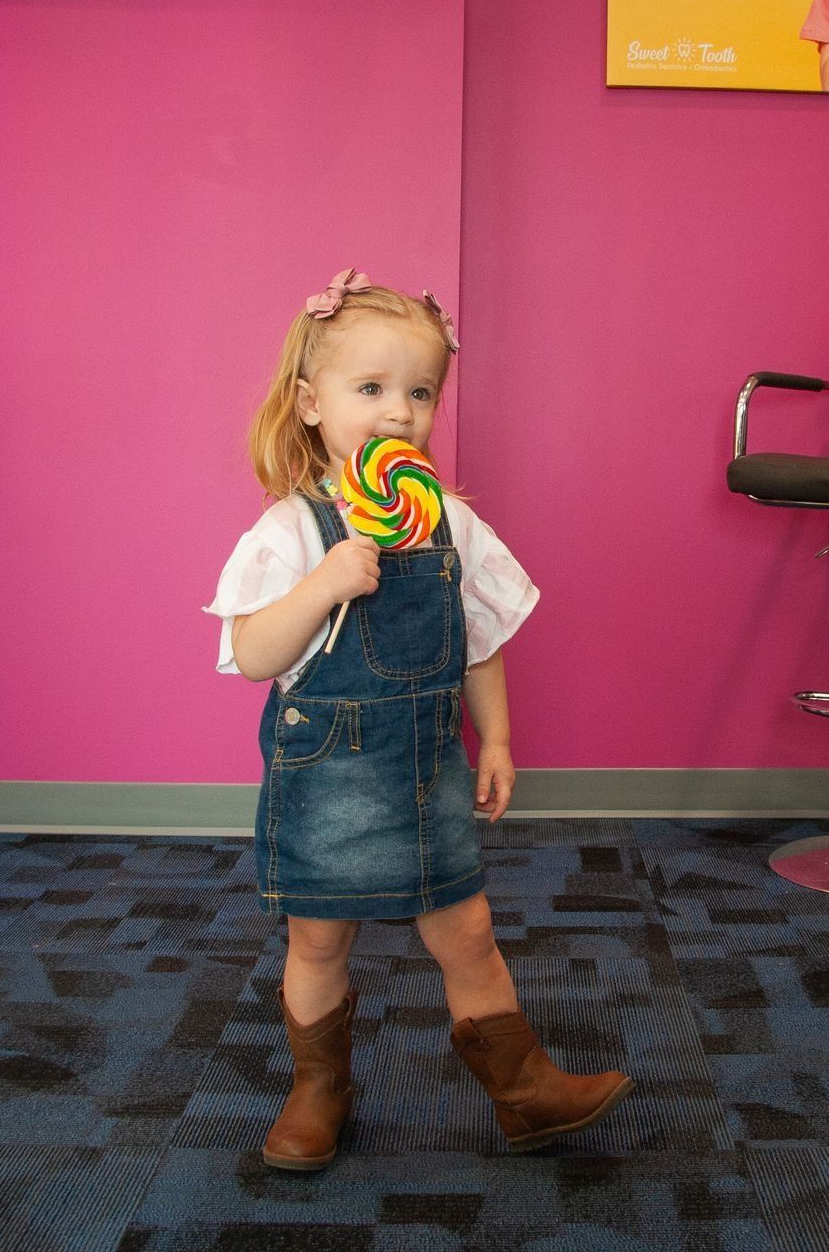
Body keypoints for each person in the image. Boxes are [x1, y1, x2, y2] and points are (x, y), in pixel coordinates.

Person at [205, 269, 633, 1171]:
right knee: (319, 939)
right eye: (371, 389)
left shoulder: (448, 524)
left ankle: (525, 1092)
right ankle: (319, 1088)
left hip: (429, 763)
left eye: (420, 392)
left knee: (467, 929)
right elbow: (251, 654)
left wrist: (501, 739)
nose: (399, 413)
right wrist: (324, 584)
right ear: (309, 402)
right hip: (326, 777)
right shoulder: (290, 531)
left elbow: (480, 642)